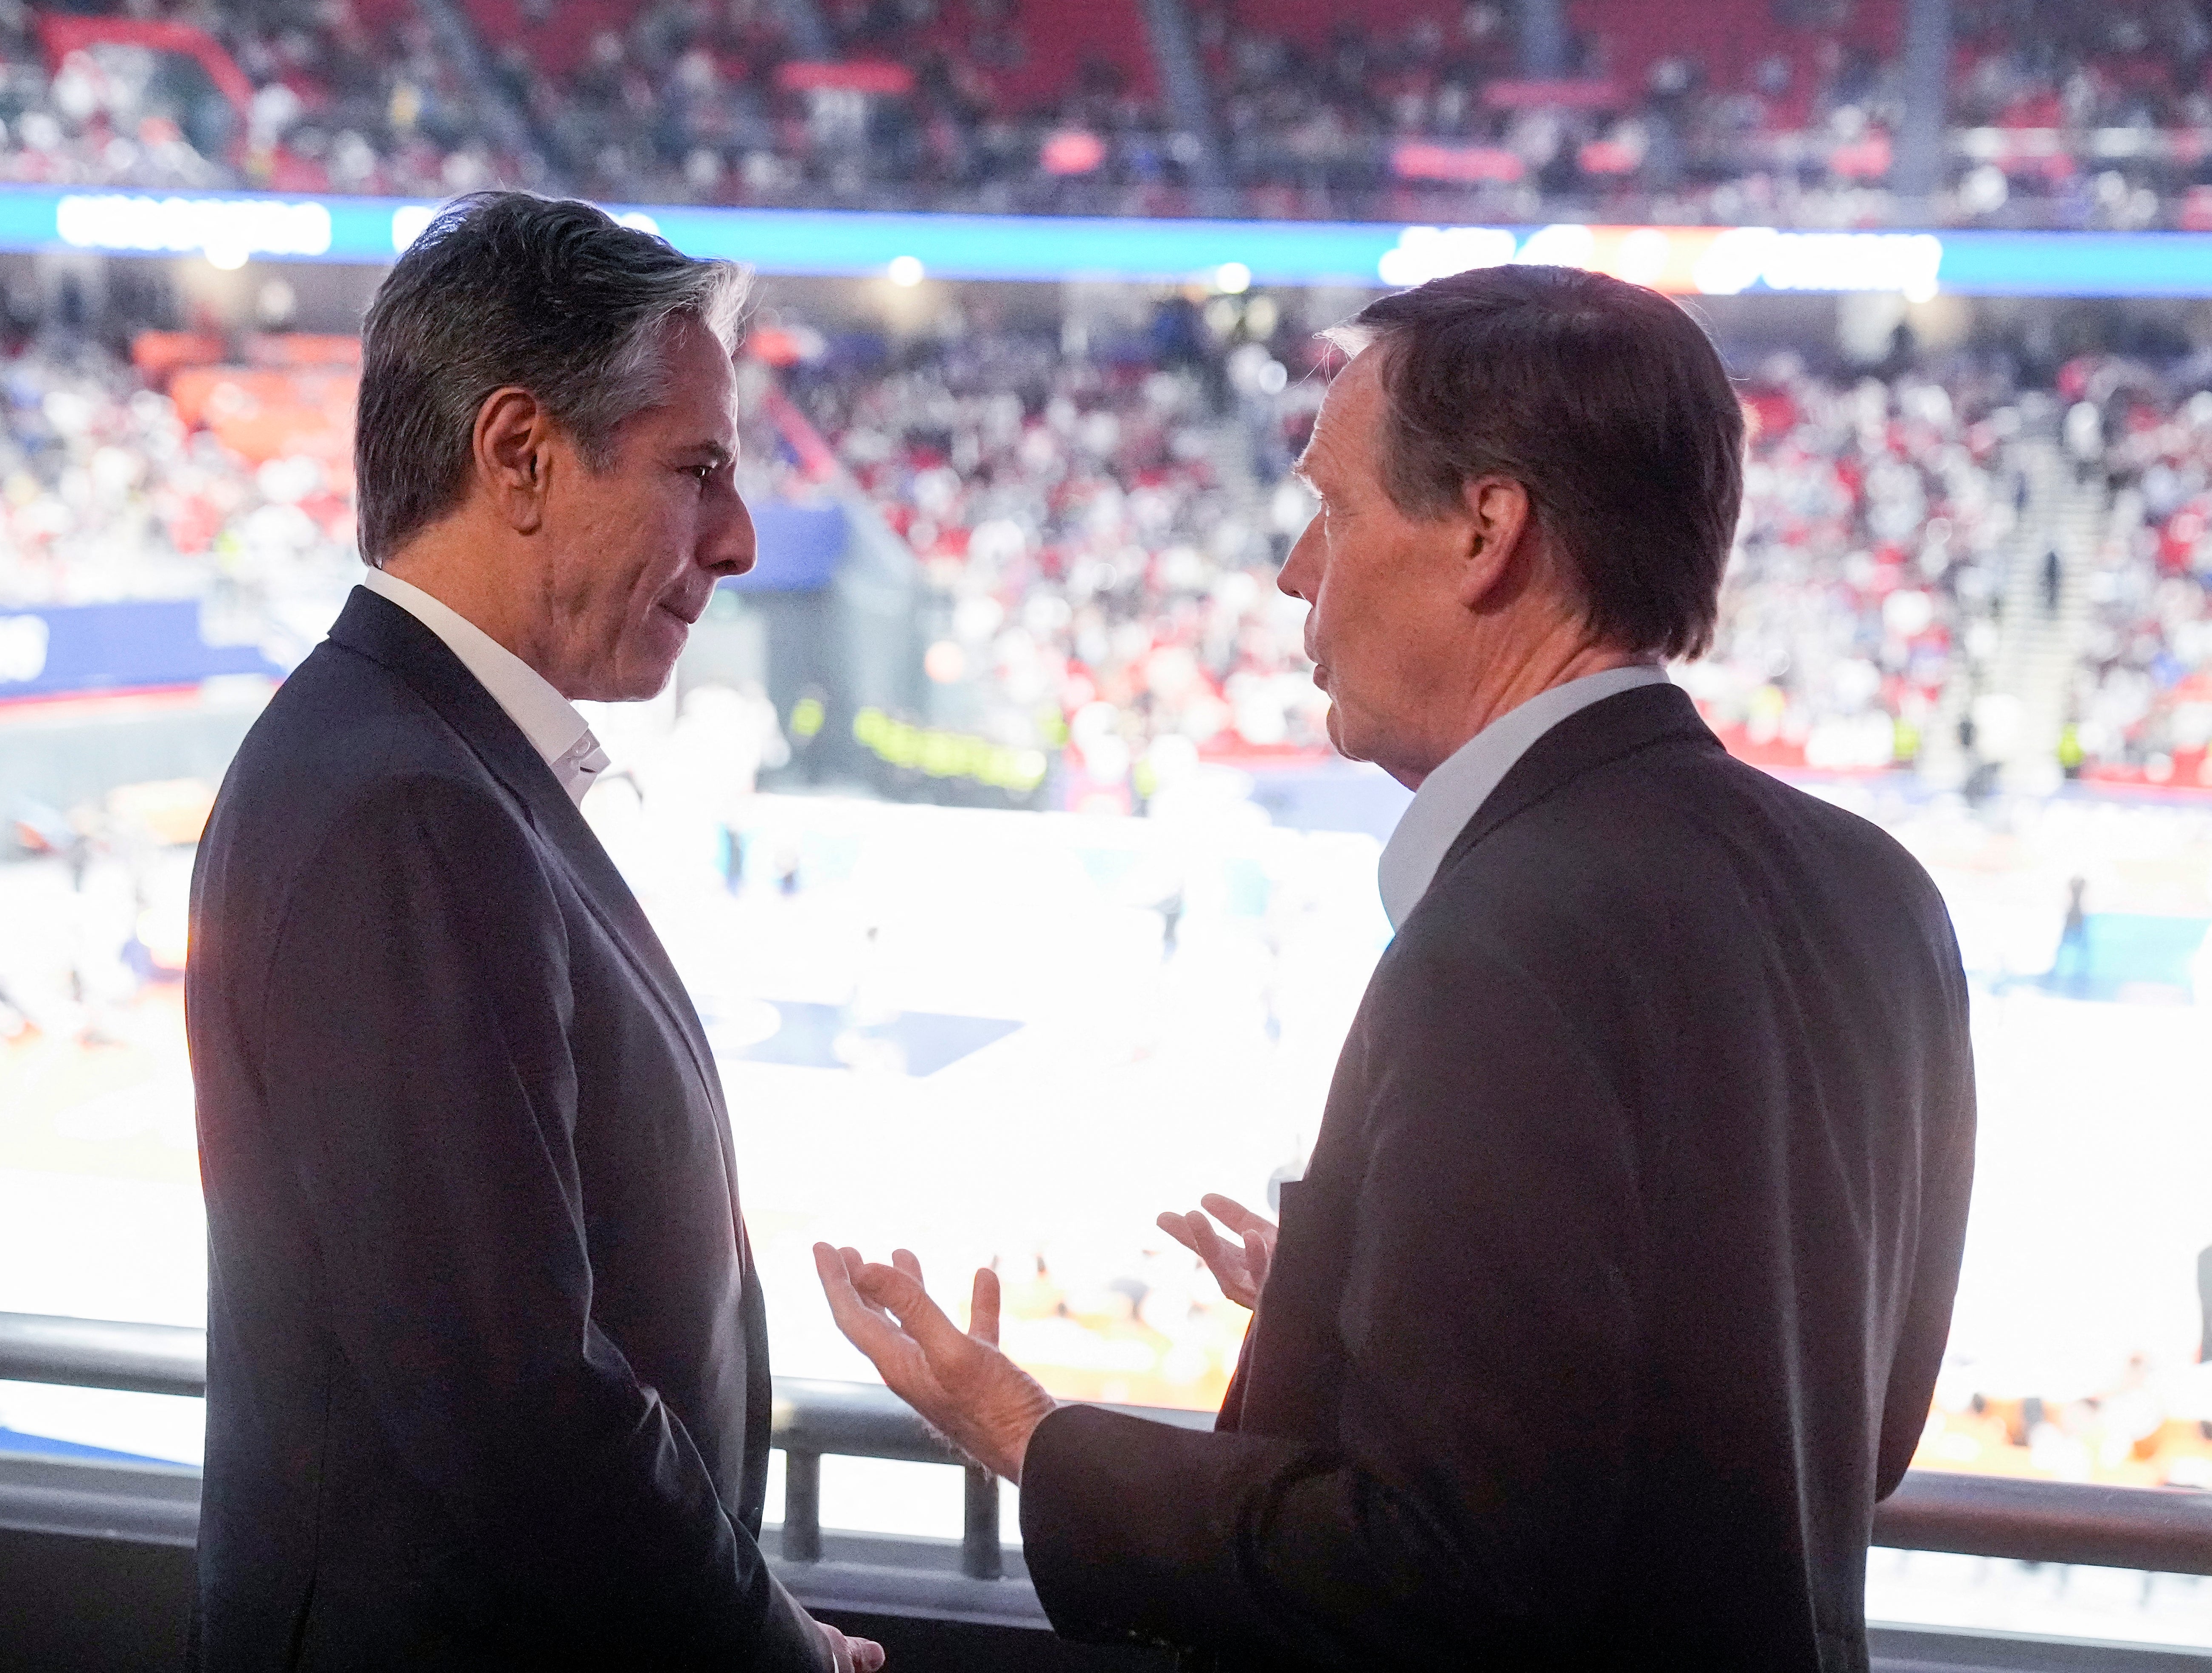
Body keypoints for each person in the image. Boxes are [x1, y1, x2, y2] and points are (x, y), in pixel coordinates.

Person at [816, 264, 1976, 1671]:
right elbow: (1848, 1427)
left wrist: (1029, 1434)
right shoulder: (1879, 891)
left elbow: (1437, 1572)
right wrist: (1372, 1309)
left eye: (1332, 506)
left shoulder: (1510, 935)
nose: (1296, 568)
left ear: (1487, 529)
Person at [187, 193, 879, 1673]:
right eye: (697, 471)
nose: (743, 539)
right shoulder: (406, 806)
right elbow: (509, 1402)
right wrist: (773, 1651)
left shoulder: (415, 760)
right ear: (518, 456)